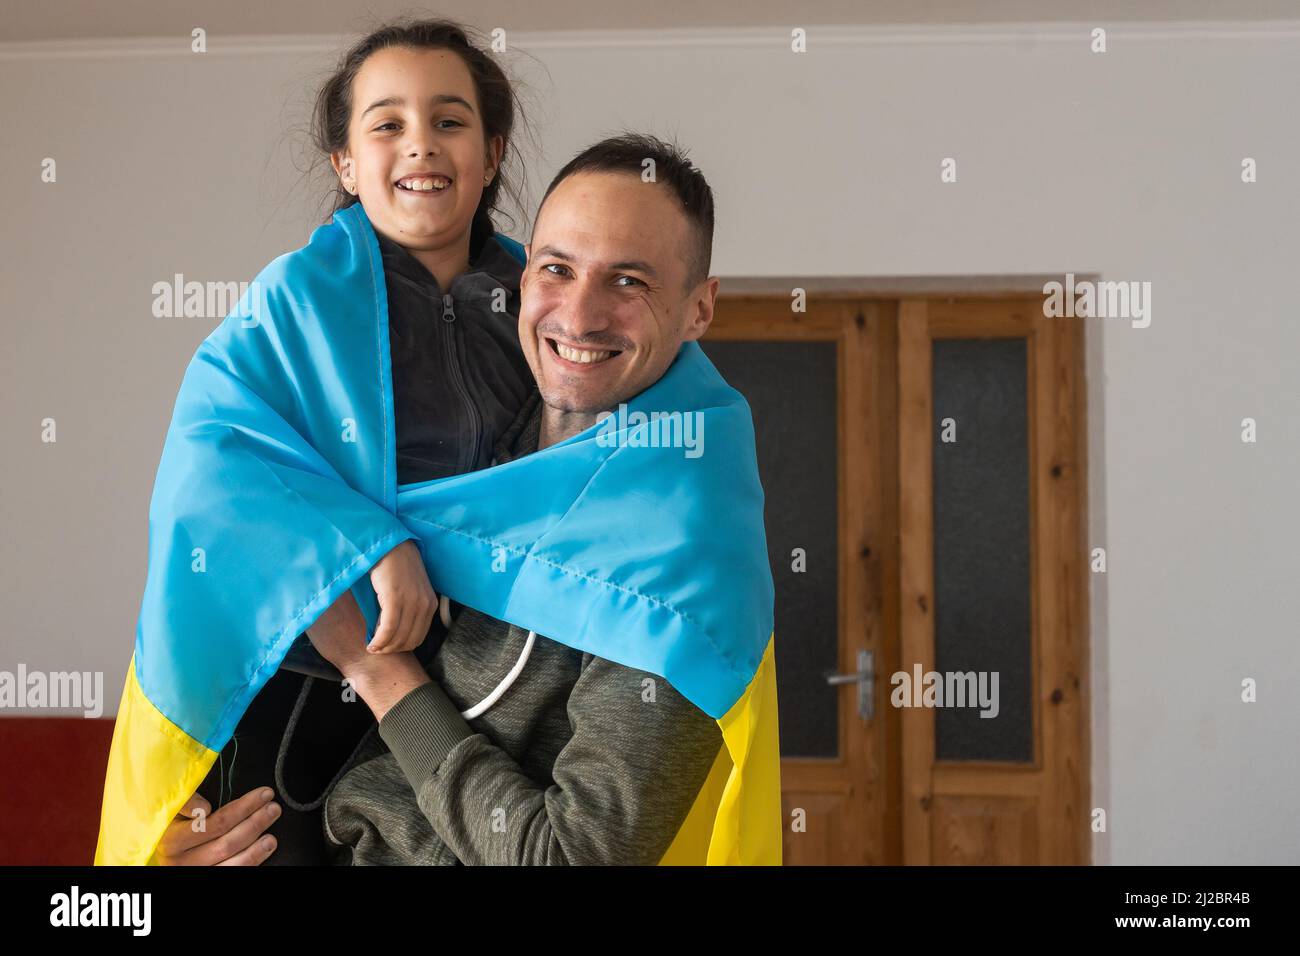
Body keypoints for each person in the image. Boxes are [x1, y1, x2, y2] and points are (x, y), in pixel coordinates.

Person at [158, 134, 734, 866]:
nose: (580, 315)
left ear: (699, 309)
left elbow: (573, 859)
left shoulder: (682, 553)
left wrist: (377, 673)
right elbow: (236, 470)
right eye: (557, 268)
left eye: (630, 282)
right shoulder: (474, 437)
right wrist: (178, 835)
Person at [164, 17, 535, 864]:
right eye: (387, 124)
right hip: (296, 688)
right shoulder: (293, 296)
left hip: (474, 695)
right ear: (345, 162)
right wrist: (367, 540)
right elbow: (214, 460)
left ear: (493, 150)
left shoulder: (543, 299)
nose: (421, 146)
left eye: (449, 120)